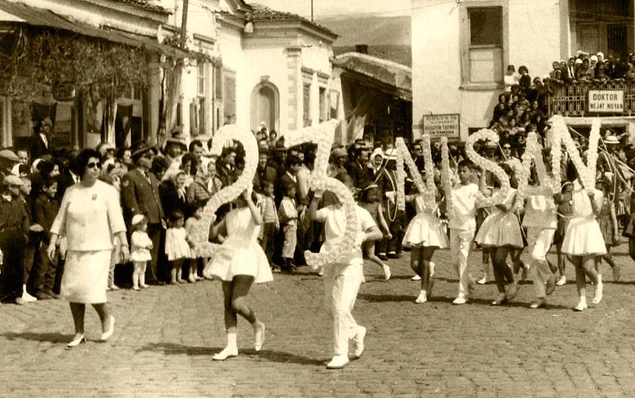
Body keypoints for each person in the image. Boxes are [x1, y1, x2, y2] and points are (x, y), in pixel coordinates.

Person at [47, 149, 129, 348]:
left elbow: (117, 220)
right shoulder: (71, 191)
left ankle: (106, 317)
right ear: (82, 168)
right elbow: (60, 219)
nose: (96, 168)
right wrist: (52, 241)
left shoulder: (107, 191)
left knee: (91, 289)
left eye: (98, 164)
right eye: (91, 165)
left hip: (100, 248)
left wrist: (124, 243)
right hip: (76, 247)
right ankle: (79, 331)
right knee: (74, 290)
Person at [307, 173, 382, 369]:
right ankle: (356, 332)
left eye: (344, 190)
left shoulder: (360, 212)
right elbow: (312, 216)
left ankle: (340, 353)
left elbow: (378, 232)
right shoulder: (330, 211)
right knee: (329, 307)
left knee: (340, 308)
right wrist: (315, 197)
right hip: (331, 262)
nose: (340, 194)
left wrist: (362, 237)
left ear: (352, 191)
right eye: (336, 190)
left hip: (351, 265)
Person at [209, 189, 272, 361]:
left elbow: (259, 221)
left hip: (246, 254)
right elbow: (214, 234)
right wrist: (210, 217)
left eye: (240, 193)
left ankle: (257, 324)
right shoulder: (230, 214)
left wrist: (249, 200)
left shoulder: (252, 210)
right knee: (228, 302)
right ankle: (231, 345)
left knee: (237, 303)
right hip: (228, 255)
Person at [474, 164, 522, 305]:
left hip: (507, 224)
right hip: (493, 224)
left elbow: (509, 208)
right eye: (497, 173)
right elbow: (482, 190)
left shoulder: (514, 191)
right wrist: (483, 172)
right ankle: (501, 293)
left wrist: (496, 203)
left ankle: (512, 282)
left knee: (500, 259)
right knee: (494, 260)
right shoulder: (494, 190)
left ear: (508, 175)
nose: (499, 176)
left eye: (502, 173)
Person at [561, 166, 605, 311]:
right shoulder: (574, 192)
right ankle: (582, 300)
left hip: (589, 227)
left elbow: (597, 212)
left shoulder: (598, 193)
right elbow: (560, 199)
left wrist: (591, 198)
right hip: (576, 227)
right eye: (580, 176)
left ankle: (598, 283)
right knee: (579, 268)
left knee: (587, 266)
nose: (582, 179)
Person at [121, 143, 164, 285]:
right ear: (140, 160)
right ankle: (139, 278)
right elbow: (130, 200)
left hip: (155, 216)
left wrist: (161, 214)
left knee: (153, 248)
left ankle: (151, 275)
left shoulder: (151, 176)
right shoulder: (130, 176)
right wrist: (138, 219)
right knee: (139, 248)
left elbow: (155, 197)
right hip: (142, 218)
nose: (152, 160)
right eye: (149, 157)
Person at [447, 160, 480, 305]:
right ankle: (469, 281)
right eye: (459, 171)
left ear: (471, 172)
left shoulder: (474, 188)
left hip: (468, 226)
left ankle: (463, 293)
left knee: (463, 258)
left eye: (464, 171)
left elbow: (482, 199)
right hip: (454, 226)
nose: (461, 174)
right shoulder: (454, 188)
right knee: (455, 261)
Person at [0, 175, 30, 305]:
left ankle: (17, 295)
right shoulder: (1, 201)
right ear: (9, 187)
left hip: (17, 235)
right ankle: (2, 295)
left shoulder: (18, 201)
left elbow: (25, 218)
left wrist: (25, 233)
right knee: (3, 265)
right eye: (17, 187)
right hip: (4, 234)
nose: (19, 189)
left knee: (18, 265)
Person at [30, 177, 60, 300]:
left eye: (56, 188)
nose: (55, 191)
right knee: (42, 264)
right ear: (44, 188)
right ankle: (39, 289)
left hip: (54, 238)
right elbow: (41, 221)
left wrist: (58, 236)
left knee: (52, 265)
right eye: (53, 188)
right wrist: (50, 237)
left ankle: (49, 287)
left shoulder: (54, 203)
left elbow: (58, 220)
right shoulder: (39, 202)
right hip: (45, 239)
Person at [358, 183, 392, 280]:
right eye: (371, 194)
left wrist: (387, 231)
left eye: (375, 195)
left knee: (370, 255)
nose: (373, 196)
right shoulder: (359, 204)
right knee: (358, 251)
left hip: (372, 231)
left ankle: (385, 266)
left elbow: (381, 219)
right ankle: (360, 275)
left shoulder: (377, 205)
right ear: (365, 193)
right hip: (360, 230)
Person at [594, 179, 621, 282]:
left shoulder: (609, 203)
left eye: (601, 189)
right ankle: (598, 277)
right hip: (595, 227)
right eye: (597, 189)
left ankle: (614, 265)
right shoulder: (594, 202)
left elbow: (614, 218)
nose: (599, 191)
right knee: (596, 254)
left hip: (606, 229)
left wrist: (616, 233)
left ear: (605, 191)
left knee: (604, 252)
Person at [165, 210, 190, 284]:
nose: (182, 223)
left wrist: (188, 237)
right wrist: (167, 250)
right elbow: (168, 241)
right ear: (174, 221)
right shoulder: (170, 230)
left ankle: (179, 278)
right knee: (175, 265)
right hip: (175, 249)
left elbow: (185, 238)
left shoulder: (182, 230)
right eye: (180, 221)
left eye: (183, 221)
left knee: (180, 264)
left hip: (182, 248)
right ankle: (173, 279)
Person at [278, 182, 298, 273]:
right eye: (293, 190)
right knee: (288, 242)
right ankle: (285, 261)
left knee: (293, 243)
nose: (295, 192)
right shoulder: (284, 202)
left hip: (293, 224)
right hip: (288, 225)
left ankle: (290, 259)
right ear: (288, 191)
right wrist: (296, 213)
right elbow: (287, 214)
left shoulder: (292, 201)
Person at [129, 215, 152, 291]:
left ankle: (142, 283)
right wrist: (145, 246)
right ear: (138, 226)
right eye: (144, 224)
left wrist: (150, 244)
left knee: (143, 269)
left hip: (144, 254)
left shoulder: (145, 234)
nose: (146, 226)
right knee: (137, 269)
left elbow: (149, 240)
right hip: (137, 254)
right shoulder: (135, 234)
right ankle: (135, 284)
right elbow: (136, 243)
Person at [184, 203, 205, 282]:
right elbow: (186, 233)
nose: (201, 213)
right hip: (191, 243)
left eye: (202, 211)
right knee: (191, 260)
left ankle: (195, 273)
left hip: (198, 243)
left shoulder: (200, 221)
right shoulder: (189, 221)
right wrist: (190, 241)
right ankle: (190, 274)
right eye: (199, 211)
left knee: (195, 259)